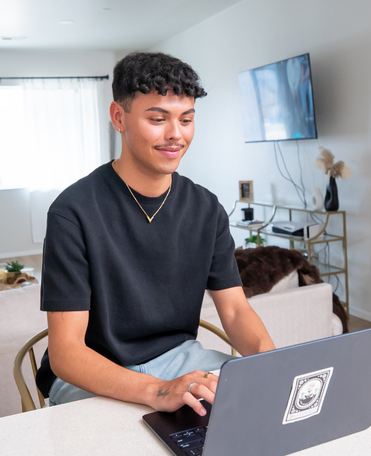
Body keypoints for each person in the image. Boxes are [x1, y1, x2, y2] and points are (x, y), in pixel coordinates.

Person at [36, 52, 275, 417]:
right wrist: (158, 391)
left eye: (186, 119)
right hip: (91, 372)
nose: (175, 134)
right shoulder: (73, 212)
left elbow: (236, 309)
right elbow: (67, 354)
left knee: (259, 409)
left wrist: (271, 364)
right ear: (119, 117)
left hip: (181, 359)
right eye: (157, 118)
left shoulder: (206, 209)